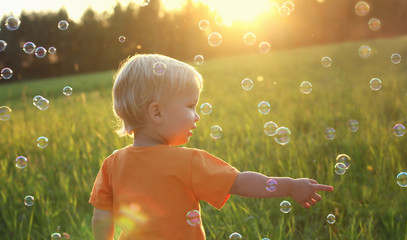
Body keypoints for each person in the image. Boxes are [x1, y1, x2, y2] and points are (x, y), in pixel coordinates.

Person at [89, 54, 333, 240]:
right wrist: (290, 185)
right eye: (190, 106)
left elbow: (102, 216)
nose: (196, 116)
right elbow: (239, 182)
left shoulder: (111, 165)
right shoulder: (189, 161)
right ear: (157, 112)